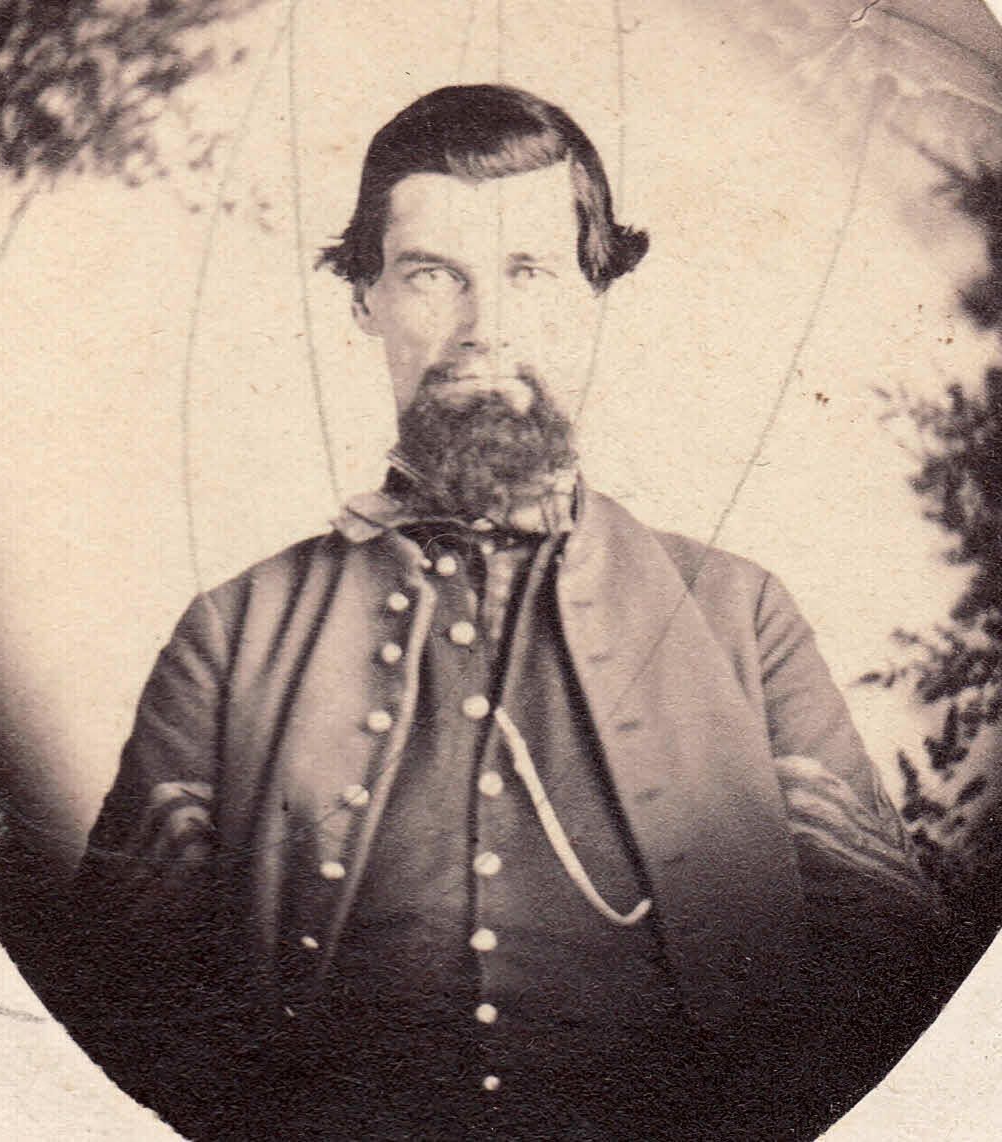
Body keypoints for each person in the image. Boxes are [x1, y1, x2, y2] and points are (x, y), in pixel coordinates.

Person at [68, 84, 943, 1141]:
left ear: (592, 297)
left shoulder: (740, 616)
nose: (486, 328)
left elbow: (888, 980)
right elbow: (121, 1009)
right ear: (364, 300)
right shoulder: (232, 634)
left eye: (529, 272)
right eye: (432, 275)